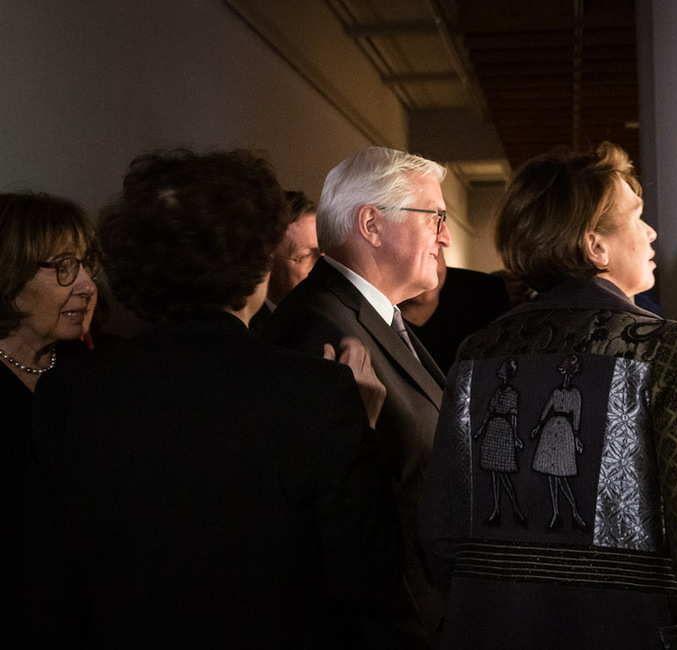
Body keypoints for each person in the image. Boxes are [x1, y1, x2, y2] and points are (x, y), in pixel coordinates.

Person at [24, 150, 405, 648]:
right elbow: (369, 576)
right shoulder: (316, 394)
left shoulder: (70, 389)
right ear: (255, 264)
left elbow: (46, 580)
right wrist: (364, 430)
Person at [418, 142, 677, 649]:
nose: (651, 233)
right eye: (637, 217)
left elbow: (441, 537)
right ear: (595, 246)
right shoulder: (662, 348)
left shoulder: (476, 353)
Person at [261, 146, 451, 647]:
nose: (445, 237)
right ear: (371, 224)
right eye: (435, 217)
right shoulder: (317, 326)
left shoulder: (371, 315)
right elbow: (331, 525)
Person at [0, 192, 98, 644]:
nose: (87, 285)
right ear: (8, 275)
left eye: (85, 265)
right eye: (63, 267)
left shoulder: (95, 373)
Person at [399, 248, 510, 374]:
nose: (428, 275)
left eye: (432, 255)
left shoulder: (486, 291)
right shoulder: (376, 313)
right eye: (414, 258)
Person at [249, 190, 320, 335]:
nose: (322, 265)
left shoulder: (338, 321)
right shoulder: (252, 333)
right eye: (305, 256)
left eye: (324, 252)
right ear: (268, 263)